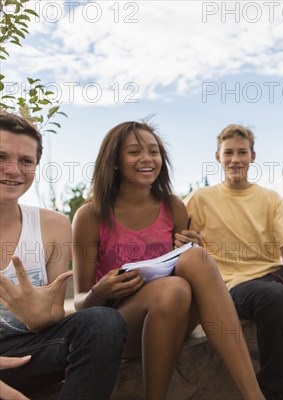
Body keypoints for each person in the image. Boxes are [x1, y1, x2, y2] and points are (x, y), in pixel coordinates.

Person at [72, 121, 264, 399]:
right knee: (172, 289)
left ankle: (254, 395)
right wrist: (100, 290)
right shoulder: (91, 216)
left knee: (195, 258)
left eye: (153, 151)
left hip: (177, 321)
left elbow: (190, 269)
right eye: (134, 152)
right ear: (113, 161)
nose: (147, 159)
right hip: (122, 331)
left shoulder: (173, 206)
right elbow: (80, 303)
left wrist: (193, 249)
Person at [181, 124, 283, 400]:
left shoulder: (271, 199)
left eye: (242, 152)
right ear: (218, 157)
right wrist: (185, 243)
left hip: (274, 274)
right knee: (273, 295)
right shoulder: (199, 199)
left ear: (253, 156)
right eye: (228, 153)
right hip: (232, 286)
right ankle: (276, 390)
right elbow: (176, 240)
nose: (235, 159)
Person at [0, 112, 127, 399]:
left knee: (103, 322)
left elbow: (54, 314)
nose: (12, 170)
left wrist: (37, 317)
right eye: (1, 156)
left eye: (25, 161)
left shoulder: (54, 225)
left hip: (26, 354)